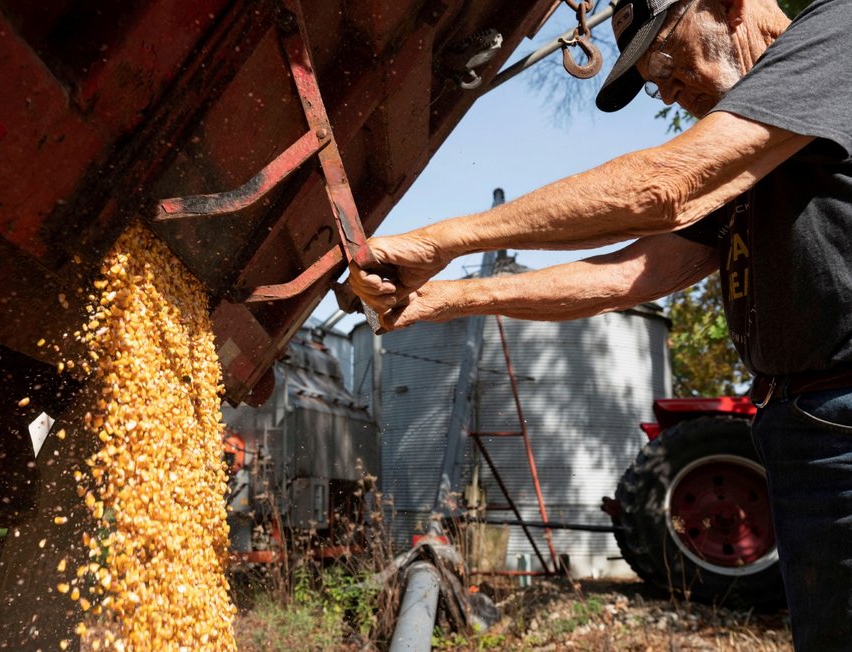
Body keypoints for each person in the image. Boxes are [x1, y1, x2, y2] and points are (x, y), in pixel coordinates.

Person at [349, 0, 852, 648]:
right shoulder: (756, 157)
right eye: (650, 78)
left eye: (665, 58)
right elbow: (634, 273)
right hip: (800, 428)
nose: (662, 87)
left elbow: (664, 188)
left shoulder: (833, 36)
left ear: (726, 6)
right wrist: (438, 301)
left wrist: (448, 237)